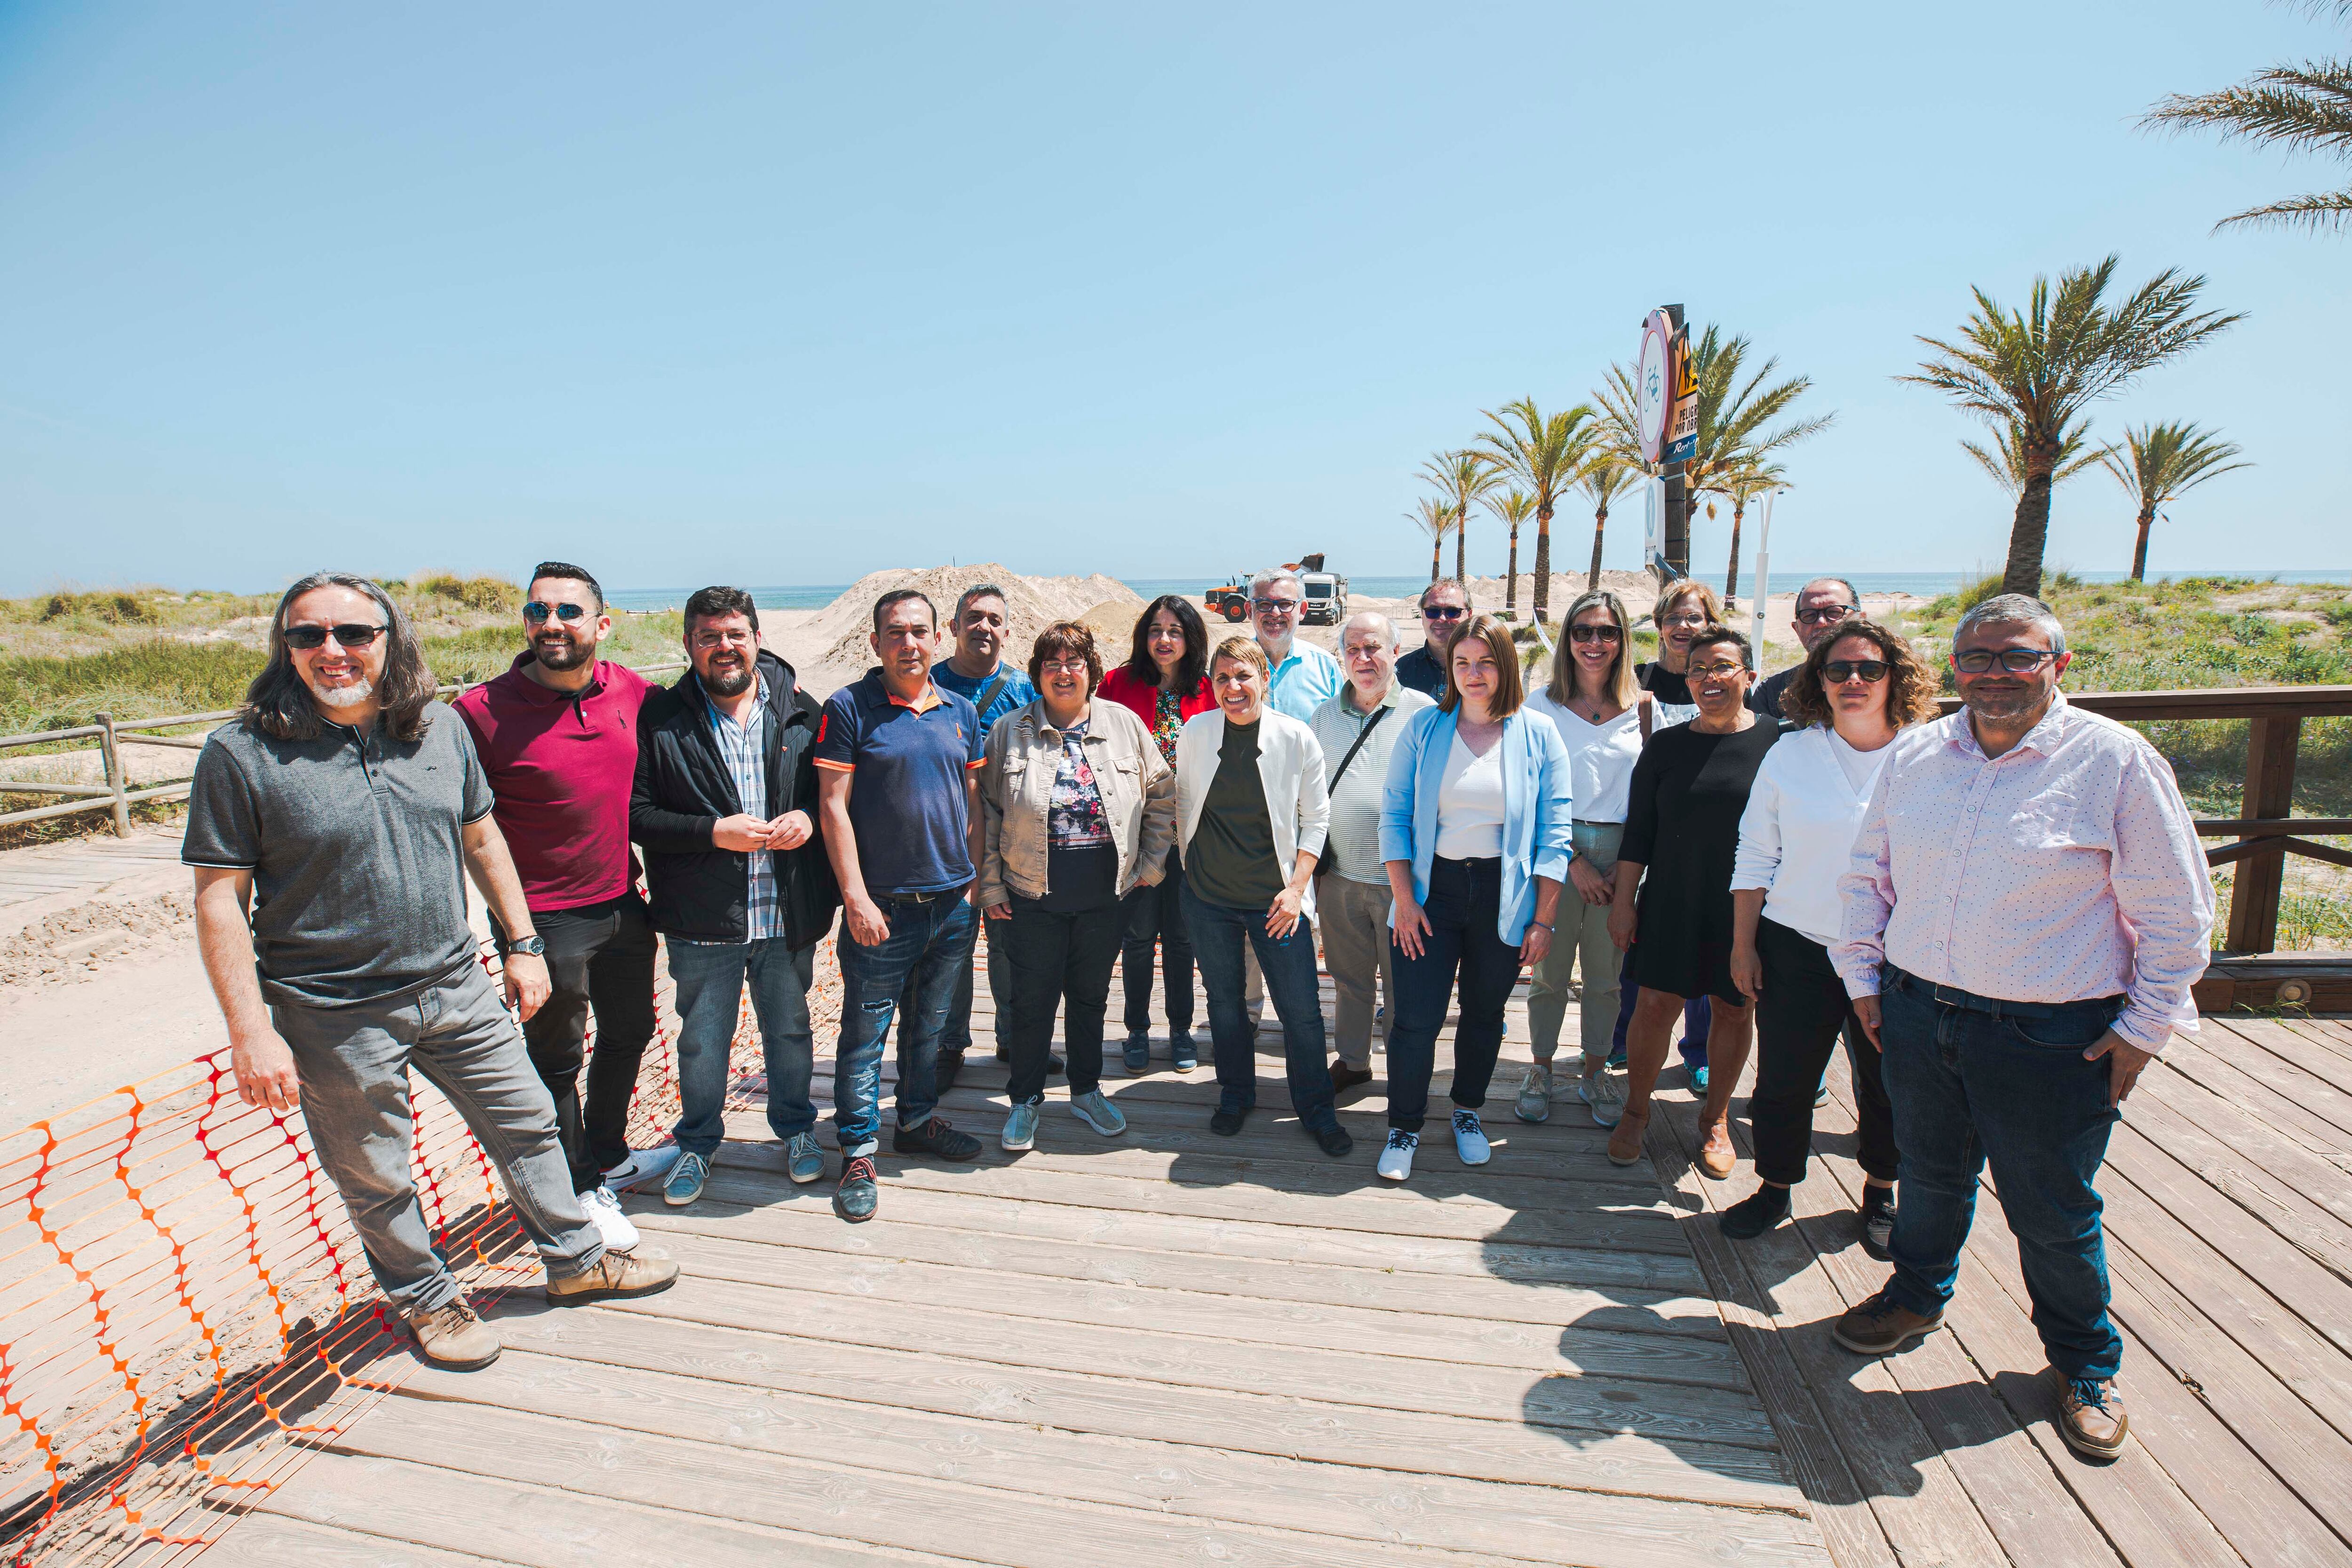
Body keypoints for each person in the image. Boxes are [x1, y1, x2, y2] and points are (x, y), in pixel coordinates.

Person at [186, 573, 674, 1373]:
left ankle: (576, 1258)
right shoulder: (240, 753)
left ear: (391, 637)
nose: (331, 651)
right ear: (285, 646)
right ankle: (428, 1301)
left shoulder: (436, 729)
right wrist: (250, 1031)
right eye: (307, 635)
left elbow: (482, 837)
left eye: (354, 633)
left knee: (528, 1121)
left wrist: (522, 943)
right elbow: (217, 901)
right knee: (376, 1173)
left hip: (455, 982)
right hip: (332, 1009)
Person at [1828, 594, 2216, 1461]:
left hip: (2052, 1034)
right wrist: (1864, 978)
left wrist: (2145, 1027)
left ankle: (2084, 1364)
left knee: (2052, 1208)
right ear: (1955, 666)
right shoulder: (1920, 753)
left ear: (2060, 665)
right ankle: (1917, 1293)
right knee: (1929, 1173)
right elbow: (1869, 872)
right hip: (1920, 1010)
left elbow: (2178, 914)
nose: (1995, 673)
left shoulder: (2115, 761)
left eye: (2018, 656)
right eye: (1978, 657)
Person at [452, 562, 666, 1254]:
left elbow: (707, 704)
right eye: (539, 611)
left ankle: (606, 1153)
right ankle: (577, 1188)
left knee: (632, 1029)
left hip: (621, 901)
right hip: (541, 920)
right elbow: (463, 827)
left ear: (602, 626)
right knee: (556, 1060)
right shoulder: (480, 712)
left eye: (569, 612)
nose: (552, 624)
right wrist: (519, 939)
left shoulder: (630, 690)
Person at [1720, 619, 1938, 1255]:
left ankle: (1881, 1187)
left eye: (1870, 669)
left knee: (1890, 1079)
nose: (1854, 681)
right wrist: (1743, 944)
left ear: (1895, 676)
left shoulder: (1928, 755)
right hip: (1798, 944)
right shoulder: (1791, 753)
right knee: (1785, 1077)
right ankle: (1776, 1184)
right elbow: (1755, 854)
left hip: (1896, 953)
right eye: (1837, 669)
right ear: (1818, 679)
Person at [629, 586, 839, 1209]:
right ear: (689, 645)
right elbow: (638, 814)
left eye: (735, 634)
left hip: (787, 911)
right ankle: (697, 1143)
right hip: (702, 919)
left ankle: (797, 1130)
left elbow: (833, 800)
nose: (724, 647)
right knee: (700, 1041)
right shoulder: (661, 719)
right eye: (708, 637)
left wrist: (806, 818)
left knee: (792, 1031)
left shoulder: (805, 711)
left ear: (756, 637)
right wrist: (711, 833)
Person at [814, 589, 990, 1223]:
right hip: (881, 908)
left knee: (929, 1025)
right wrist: (856, 898)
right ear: (876, 643)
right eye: (896, 632)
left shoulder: (962, 712)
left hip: (950, 904)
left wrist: (971, 886)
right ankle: (858, 1149)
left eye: (919, 632)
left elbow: (971, 802)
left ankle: (915, 1120)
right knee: (865, 1037)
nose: (909, 643)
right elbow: (832, 808)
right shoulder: (849, 708)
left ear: (937, 639)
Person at [1376, 614, 1572, 1181]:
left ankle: (1466, 1112)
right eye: (1461, 663)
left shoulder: (1537, 733)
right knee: (1414, 1019)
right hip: (1428, 892)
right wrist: (1404, 900)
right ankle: (1404, 1125)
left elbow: (1553, 836)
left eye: (1485, 662)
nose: (1472, 673)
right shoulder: (1424, 728)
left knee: (1484, 1015)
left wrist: (1544, 918)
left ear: (1505, 665)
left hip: (1503, 897)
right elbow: (1393, 816)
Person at [979, 622, 1177, 1150]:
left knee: (1090, 998)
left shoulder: (1124, 724)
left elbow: (1161, 794)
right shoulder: (1008, 731)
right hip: (1030, 895)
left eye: (1074, 663)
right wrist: (992, 887)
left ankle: (1086, 1091)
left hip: (1106, 897)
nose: (1063, 673)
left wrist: (1151, 867)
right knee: (1031, 1001)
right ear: (1037, 673)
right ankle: (1024, 1101)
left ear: (1091, 670)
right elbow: (990, 813)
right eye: (1051, 664)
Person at [1606, 625, 1780, 1176]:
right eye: (1697, 668)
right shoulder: (1666, 745)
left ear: (1748, 676)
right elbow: (1639, 829)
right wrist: (1623, 901)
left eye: (1722, 667)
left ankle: (1715, 1120)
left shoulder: (1777, 744)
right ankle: (1635, 1112)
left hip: (1746, 911)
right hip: (1671, 902)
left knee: (1734, 1009)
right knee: (1653, 1008)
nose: (1708, 678)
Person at [1175, 636, 1347, 1154]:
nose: (1233, 687)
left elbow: (1317, 819)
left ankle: (1316, 1110)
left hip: (1277, 903)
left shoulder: (1296, 738)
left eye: (1243, 676)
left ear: (1264, 680)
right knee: (1225, 1005)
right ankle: (1235, 1094)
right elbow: (1182, 801)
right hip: (1208, 897)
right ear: (1212, 685)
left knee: (1300, 1012)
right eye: (1222, 678)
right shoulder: (1195, 732)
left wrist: (1296, 890)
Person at [1518, 589, 1643, 1127]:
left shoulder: (1647, 709)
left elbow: (1651, 797)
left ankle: (1595, 1073)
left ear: (1621, 641)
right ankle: (1541, 1068)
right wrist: (1571, 860)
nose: (1594, 642)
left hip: (1623, 854)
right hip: (1556, 850)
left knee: (1605, 975)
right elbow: (1525, 792)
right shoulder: (1537, 705)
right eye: (1583, 631)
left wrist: (1626, 867)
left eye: (1607, 632)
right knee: (1547, 971)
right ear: (1567, 638)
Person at [923, 583, 1042, 1091]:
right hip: (943, 843)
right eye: (973, 618)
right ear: (951, 628)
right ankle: (949, 1046)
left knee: (1010, 946)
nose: (983, 628)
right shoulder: (923, 684)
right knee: (951, 949)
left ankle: (1014, 1039)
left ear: (1008, 632)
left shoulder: (1023, 690)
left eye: (994, 620)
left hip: (1009, 840)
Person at [1308, 612, 1433, 1094]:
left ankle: (1403, 1068)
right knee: (1348, 979)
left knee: (1404, 987)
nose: (1363, 658)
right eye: (1353, 649)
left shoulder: (1424, 712)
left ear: (1395, 652)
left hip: (1401, 884)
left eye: (1373, 647)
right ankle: (1354, 1062)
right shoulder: (1323, 714)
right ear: (1342, 657)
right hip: (1338, 877)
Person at [1098, 595, 1217, 1073]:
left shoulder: (1208, 689)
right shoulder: (1116, 683)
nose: (1163, 640)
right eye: (1155, 630)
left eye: (1174, 631)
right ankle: (1136, 1031)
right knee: (1138, 939)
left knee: (1183, 942)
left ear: (1189, 639)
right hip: (1137, 840)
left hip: (1191, 842)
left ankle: (1181, 1030)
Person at [1615, 577, 1727, 1084]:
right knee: (1636, 944)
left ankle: (1698, 1053)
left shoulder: (1724, 683)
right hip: (1646, 833)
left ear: (1711, 624)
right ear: (1659, 626)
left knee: (1707, 954)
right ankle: (1623, 1041)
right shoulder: (1634, 681)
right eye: (1674, 617)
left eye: (1694, 617)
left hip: (1708, 839)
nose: (1684, 627)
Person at [1752, 577, 1861, 720]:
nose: (1821, 623)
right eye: (1809, 615)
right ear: (1796, 628)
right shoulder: (1772, 692)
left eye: (1834, 612)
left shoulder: (1889, 680)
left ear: (1860, 620)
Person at [1252, 569, 1344, 722]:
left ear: (1302, 610)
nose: (1275, 613)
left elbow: (1340, 727)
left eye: (1285, 604)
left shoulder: (1326, 667)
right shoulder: (1231, 665)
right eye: (1265, 604)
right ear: (1249, 610)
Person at [1393, 580, 1471, 701]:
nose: (1442, 618)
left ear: (1469, 615)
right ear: (1422, 616)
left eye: (1453, 611)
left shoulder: (1489, 669)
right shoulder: (1399, 671)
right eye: (1433, 612)